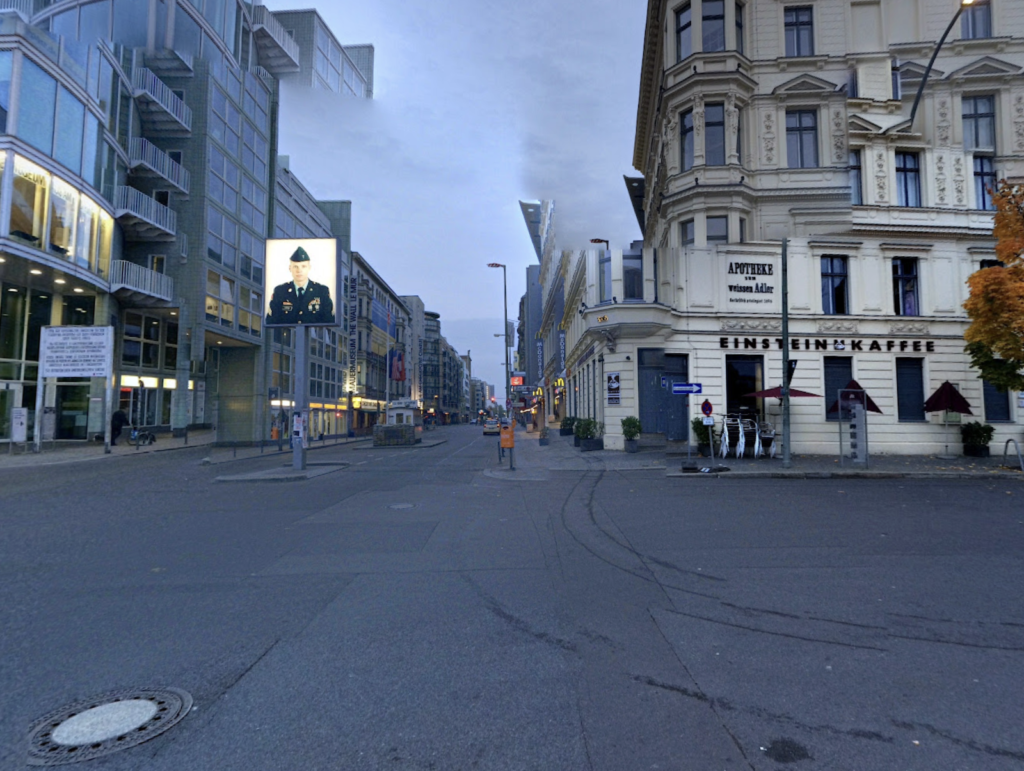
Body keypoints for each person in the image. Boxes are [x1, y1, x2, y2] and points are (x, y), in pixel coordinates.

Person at [266, 246, 334, 325]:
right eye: (295, 267)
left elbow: (329, 321)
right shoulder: (280, 291)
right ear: (290, 268)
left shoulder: (321, 291)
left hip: (312, 337)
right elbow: (271, 321)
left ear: (309, 268)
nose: (299, 270)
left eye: (303, 266)